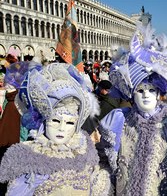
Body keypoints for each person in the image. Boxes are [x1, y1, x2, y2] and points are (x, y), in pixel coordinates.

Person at [97, 25, 167, 195]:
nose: (146, 95)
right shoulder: (119, 123)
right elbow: (107, 167)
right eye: (140, 90)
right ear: (132, 94)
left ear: (159, 93)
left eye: (152, 90)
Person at [0, 63, 111, 196]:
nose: (62, 129)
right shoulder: (28, 158)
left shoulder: (85, 150)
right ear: (45, 121)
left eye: (70, 123)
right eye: (56, 121)